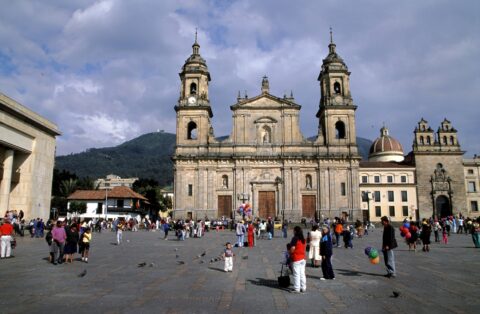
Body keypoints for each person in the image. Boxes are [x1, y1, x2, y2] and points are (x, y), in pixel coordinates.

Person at [289, 226, 306, 293]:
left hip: (296, 258)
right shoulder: (303, 239)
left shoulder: (295, 238)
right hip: (303, 258)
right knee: (302, 274)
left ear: (295, 231)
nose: (293, 232)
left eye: (293, 230)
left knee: (296, 274)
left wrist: (289, 252)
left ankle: (296, 288)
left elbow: (293, 248)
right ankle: (303, 287)